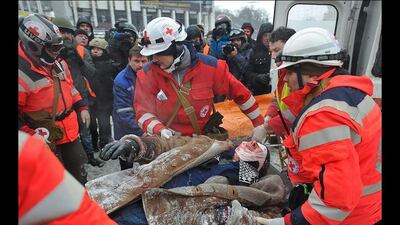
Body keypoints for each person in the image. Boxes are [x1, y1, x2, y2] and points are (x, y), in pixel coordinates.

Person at [256, 27, 382, 225]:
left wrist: (289, 222)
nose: (286, 79)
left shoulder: (322, 116)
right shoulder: (352, 94)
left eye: (289, 72)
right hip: (369, 207)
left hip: (348, 218)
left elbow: (335, 199)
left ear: (309, 72)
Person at [135, 17, 266, 142]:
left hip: (202, 144)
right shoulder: (147, 75)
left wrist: (259, 123)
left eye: (158, 53)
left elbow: (242, 95)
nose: (154, 59)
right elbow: (142, 112)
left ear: (177, 47)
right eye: (151, 55)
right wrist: (160, 130)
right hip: (167, 143)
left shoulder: (211, 68)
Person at [18, 14, 89, 184]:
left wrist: (82, 106)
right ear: (34, 46)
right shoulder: (21, 73)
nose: (58, 52)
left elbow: (69, 87)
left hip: (69, 131)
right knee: (54, 182)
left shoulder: (58, 63)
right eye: (53, 48)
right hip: (41, 137)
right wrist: (30, 135)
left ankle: (83, 205)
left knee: (80, 174)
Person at [18, 131, 116, 225]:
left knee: (79, 172)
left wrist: (131, 140)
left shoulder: (26, 152)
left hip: (67, 134)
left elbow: (74, 213)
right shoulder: (27, 152)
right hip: (46, 137)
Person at [52, 17, 102, 168]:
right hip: (58, 101)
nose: (66, 35)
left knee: (85, 129)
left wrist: (79, 61)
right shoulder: (48, 50)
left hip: (79, 96)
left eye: (68, 32)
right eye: (62, 31)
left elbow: (92, 72)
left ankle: (89, 157)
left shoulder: (81, 50)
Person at [113, 44, 148, 170]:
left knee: (148, 163)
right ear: (129, 60)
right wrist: (142, 132)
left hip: (145, 124)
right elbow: (124, 112)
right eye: (136, 61)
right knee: (127, 163)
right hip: (126, 128)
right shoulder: (121, 80)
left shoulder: (151, 74)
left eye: (143, 61)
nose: (140, 65)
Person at [263, 26, 296, 137]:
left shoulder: (300, 75)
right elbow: (278, 99)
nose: (273, 56)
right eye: (271, 51)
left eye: (276, 50)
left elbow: (299, 110)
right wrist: (269, 116)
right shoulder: (282, 72)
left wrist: (272, 125)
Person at [89, 38, 118, 156]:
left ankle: (105, 143)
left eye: (98, 49)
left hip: (107, 98)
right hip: (94, 99)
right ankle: (97, 143)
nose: (95, 51)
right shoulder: (89, 63)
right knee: (94, 124)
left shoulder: (111, 64)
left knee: (104, 124)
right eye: (93, 49)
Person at [247, 22, 274, 95]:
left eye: (270, 35)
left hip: (275, 90)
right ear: (261, 37)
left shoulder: (278, 51)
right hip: (259, 92)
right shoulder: (254, 52)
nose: (268, 38)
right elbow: (248, 73)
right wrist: (258, 77)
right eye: (265, 35)